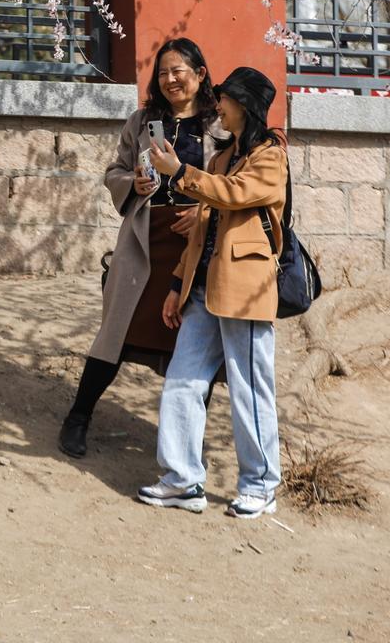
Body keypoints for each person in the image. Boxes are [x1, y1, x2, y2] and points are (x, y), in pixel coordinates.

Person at [58, 38, 224, 458]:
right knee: (117, 331)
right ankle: (79, 416)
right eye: (163, 73)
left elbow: (230, 186)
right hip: (145, 237)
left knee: (191, 341)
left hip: (197, 244)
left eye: (178, 71)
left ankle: (188, 441)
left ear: (200, 74)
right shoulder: (142, 120)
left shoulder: (219, 126)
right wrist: (133, 183)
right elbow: (114, 170)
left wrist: (205, 214)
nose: (169, 80)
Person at [137, 66, 287, 519]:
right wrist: (177, 284)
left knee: (249, 386)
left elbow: (235, 195)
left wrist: (180, 171)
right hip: (202, 287)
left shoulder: (270, 157)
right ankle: (182, 479)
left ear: (244, 106)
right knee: (183, 380)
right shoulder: (222, 158)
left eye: (224, 99)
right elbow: (202, 226)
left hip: (245, 287)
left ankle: (261, 483)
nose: (217, 105)